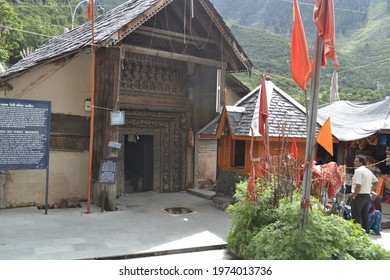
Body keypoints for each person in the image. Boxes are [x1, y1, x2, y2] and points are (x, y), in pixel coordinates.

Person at [350, 155, 378, 232]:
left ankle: (357, 232)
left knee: (356, 215)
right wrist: (369, 190)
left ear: (361, 162)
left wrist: (354, 195)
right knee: (364, 215)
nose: (354, 162)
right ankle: (365, 231)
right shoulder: (368, 171)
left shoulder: (358, 171)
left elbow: (358, 185)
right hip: (366, 196)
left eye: (356, 161)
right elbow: (376, 182)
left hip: (359, 195)